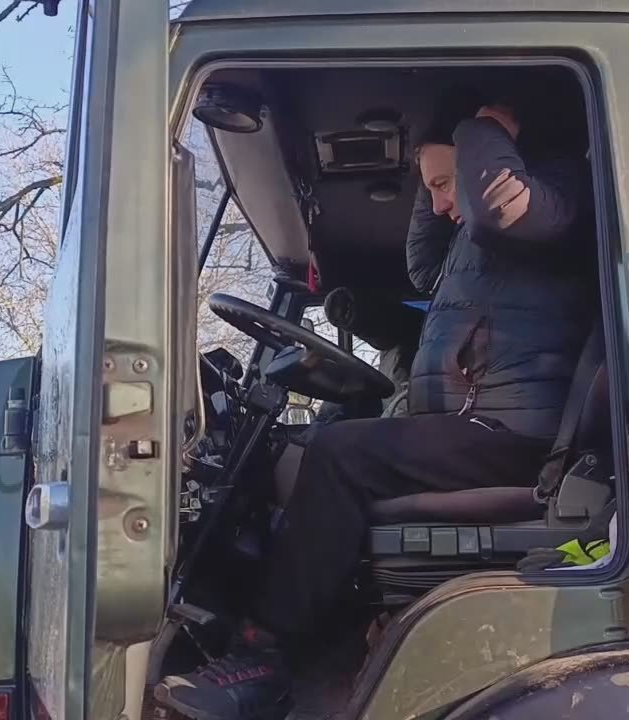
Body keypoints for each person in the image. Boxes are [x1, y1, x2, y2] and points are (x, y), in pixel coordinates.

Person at [154, 88, 596, 720]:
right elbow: (421, 268)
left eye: (446, 186)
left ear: (493, 154)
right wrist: (433, 168)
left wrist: (481, 126)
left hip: (517, 436)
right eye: (430, 190)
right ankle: (322, 641)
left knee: (341, 452)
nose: (440, 204)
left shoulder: (556, 191)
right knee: (334, 442)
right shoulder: (473, 247)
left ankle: (263, 654)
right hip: (479, 423)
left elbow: (500, 207)